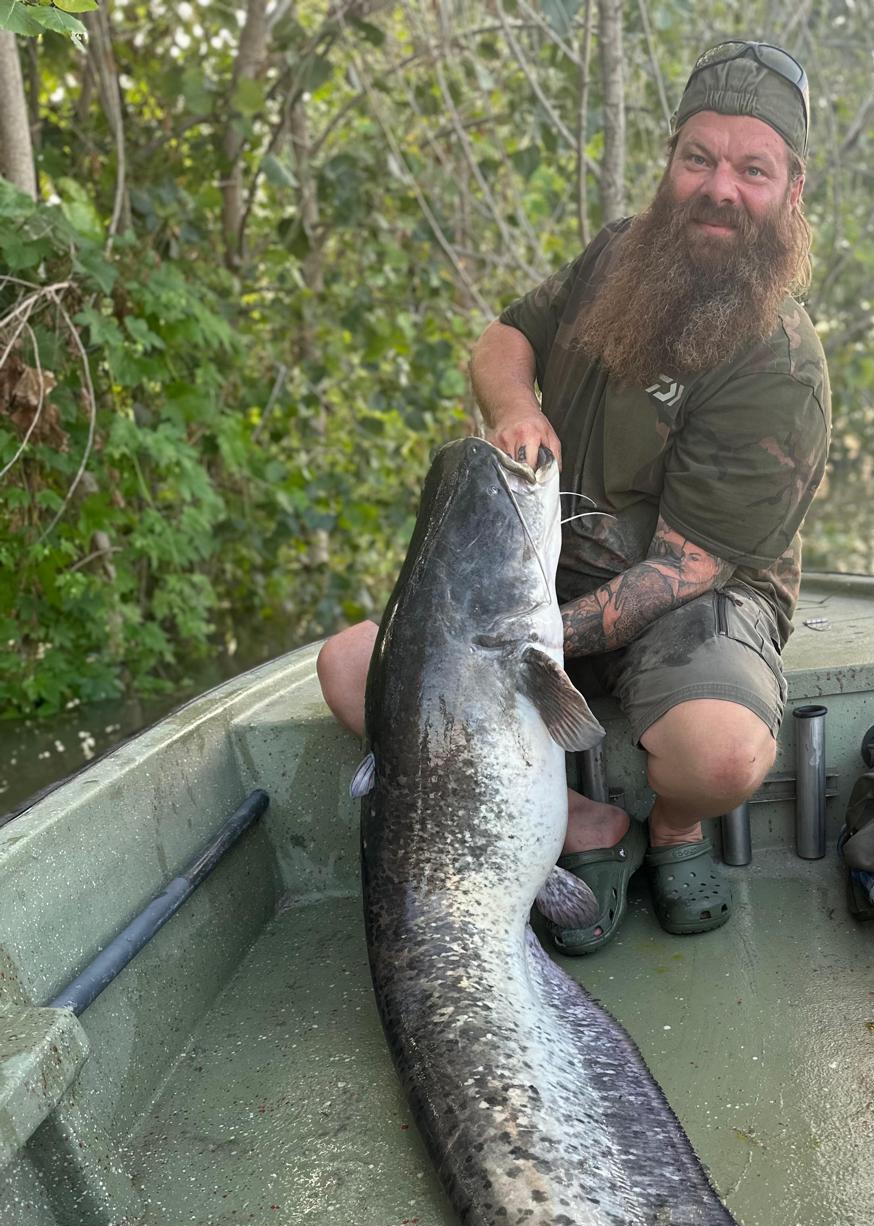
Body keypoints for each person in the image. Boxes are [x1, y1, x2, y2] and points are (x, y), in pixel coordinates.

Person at [318, 39, 831, 954]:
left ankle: (672, 824)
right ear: (670, 163)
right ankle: (586, 821)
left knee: (718, 754)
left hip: (695, 595)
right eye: (699, 158)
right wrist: (516, 408)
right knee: (349, 670)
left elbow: (685, 568)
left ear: (791, 191)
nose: (720, 187)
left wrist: (513, 648)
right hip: (547, 575)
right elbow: (503, 337)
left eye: (753, 170)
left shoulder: (781, 366)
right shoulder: (617, 259)